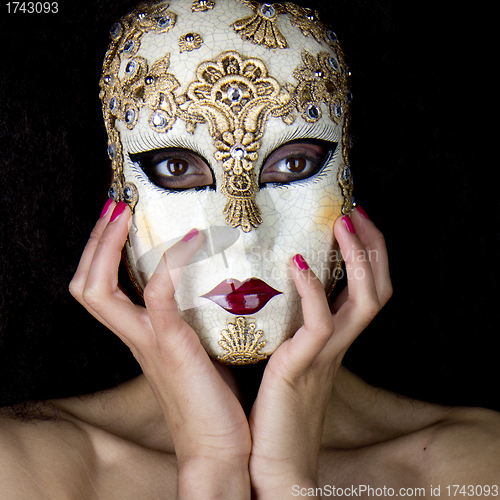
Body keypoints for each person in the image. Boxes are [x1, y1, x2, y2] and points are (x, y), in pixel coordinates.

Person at [1, 0, 499, 498]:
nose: (244, 234)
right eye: (176, 167)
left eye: (294, 165)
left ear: (348, 179)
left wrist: (287, 479)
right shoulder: (20, 468)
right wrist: (211, 465)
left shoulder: (479, 467)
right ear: (117, 192)